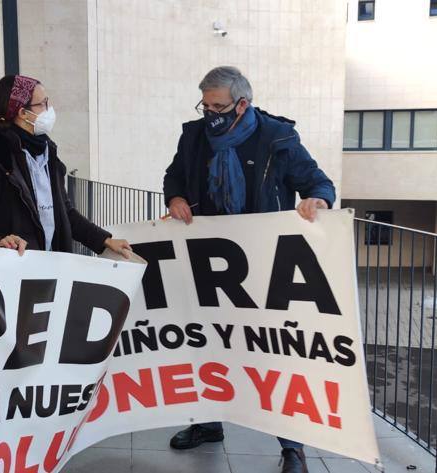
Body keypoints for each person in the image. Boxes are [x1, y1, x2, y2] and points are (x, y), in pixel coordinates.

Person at [162, 66, 336, 473]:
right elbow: (174, 176)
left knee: (272, 352)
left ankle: (292, 446)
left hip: (263, 263)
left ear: (243, 104)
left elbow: (317, 181)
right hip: (208, 261)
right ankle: (207, 424)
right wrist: (175, 197)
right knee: (207, 342)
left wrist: (318, 202)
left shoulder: (277, 137)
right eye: (205, 105)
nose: (211, 114)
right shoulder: (193, 136)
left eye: (218, 106)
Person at [0, 75, 132, 257]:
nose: (49, 109)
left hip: (51, 267)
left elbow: (64, 212)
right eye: (42, 104)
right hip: (16, 270)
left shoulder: (47, 151)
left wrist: (105, 240)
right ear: (22, 113)